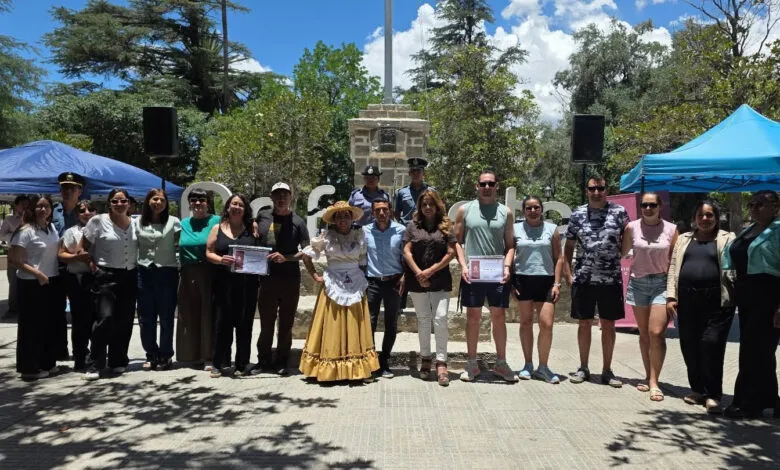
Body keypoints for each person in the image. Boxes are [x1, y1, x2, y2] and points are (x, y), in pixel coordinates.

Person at [299, 201, 379, 382]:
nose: (343, 219)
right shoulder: (325, 237)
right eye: (339, 216)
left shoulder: (360, 235)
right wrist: (315, 276)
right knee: (332, 325)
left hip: (355, 282)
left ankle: (357, 368)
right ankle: (328, 369)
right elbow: (306, 256)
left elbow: (364, 259)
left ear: (351, 218)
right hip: (333, 283)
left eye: (346, 216)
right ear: (334, 220)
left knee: (354, 324)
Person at [666, 201, 734, 413]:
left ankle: (713, 394)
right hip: (686, 301)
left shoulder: (726, 238)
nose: (705, 219)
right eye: (701, 215)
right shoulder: (685, 239)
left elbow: (734, 267)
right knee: (689, 345)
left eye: (710, 215)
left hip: (716, 301)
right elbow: (673, 267)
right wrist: (670, 296)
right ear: (694, 218)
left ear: (716, 218)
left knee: (711, 344)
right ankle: (697, 389)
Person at [564, 175, 629, 388]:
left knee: (609, 325)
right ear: (587, 190)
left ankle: (607, 370)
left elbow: (627, 239)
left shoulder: (619, 212)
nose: (596, 192)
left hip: (610, 279)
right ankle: (583, 367)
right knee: (584, 324)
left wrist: (617, 258)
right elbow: (569, 246)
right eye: (592, 188)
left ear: (606, 189)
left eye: (600, 188)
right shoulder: (577, 213)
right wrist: (567, 273)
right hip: (584, 278)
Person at [454, 169, 517, 383]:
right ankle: (472, 363)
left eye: (491, 183)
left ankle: (501, 363)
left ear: (497, 186)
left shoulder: (506, 212)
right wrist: (462, 265)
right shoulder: (465, 210)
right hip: (474, 273)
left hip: (498, 273)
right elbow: (456, 241)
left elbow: (510, 246)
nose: (487, 187)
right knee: (473, 318)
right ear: (477, 186)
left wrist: (507, 267)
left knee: (498, 317)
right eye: (483, 184)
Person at [723, 190, 780, 419]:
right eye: (752, 204)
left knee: (753, 351)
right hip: (747, 297)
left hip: (769, 296)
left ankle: (747, 403)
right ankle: (772, 400)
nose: (754, 208)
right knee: (762, 351)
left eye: (760, 204)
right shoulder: (750, 229)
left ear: (775, 206)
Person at [621, 193, 678, 402]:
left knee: (657, 332)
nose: (647, 208)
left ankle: (655, 382)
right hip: (638, 284)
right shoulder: (631, 227)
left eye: (652, 204)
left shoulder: (671, 230)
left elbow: (674, 261)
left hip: (661, 284)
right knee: (644, 333)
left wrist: (674, 290)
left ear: (659, 206)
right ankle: (648, 376)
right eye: (644, 205)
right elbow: (621, 252)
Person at [252, 182, 310, 376]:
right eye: (277, 195)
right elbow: (254, 234)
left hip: (290, 280)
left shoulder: (299, 222)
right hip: (266, 280)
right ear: (271, 197)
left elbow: (307, 251)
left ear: (290, 197)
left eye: (285, 194)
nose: (281, 198)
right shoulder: (263, 216)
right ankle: (263, 361)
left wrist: (287, 258)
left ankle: (282, 362)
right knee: (266, 323)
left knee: (286, 324)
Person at [81, 188, 138, 381]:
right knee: (105, 318)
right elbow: (84, 248)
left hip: (129, 275)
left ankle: (118, 361)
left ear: (129, 203)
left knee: (124, 320)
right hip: (106, 276)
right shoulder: (97, 221)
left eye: (123, 201)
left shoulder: (136, 224)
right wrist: (93, 268)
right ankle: (94, 363)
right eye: (115, 201)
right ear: (109, 204)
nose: (119, 205)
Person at [403, 189, 455, 386]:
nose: (427, 208)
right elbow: (407, 251)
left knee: (440, 319)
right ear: (419, 206)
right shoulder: (412, 226)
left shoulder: (446, 225)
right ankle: (425, 358)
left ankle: (441, 362)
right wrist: (419, 273)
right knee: (424, 320)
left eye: (430, 204)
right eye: (424, 204)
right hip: (417, 281)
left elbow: (451, 253)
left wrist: (430, 271)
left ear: (437, 205)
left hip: (441, 280)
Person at [205, 194, 259, 378]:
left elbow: (258, 251)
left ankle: (242, 364)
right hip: (223, 284)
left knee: (245, 325)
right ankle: (218, 363)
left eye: (241, 205)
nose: (237, 207)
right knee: (222, 324)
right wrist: (221, 260)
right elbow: (208, 252)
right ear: (227, 207)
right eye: (234, 204)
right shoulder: (216, 228)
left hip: (247, 285)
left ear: (245, 209)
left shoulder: (252, 227)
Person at [512, 195, 564, 384]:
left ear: (542, 209)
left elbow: (559, 257)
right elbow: (509, 254)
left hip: (546, 281)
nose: (533, 211)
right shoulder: (515, 229)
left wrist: (557, 283)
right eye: (529, 208)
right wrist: (511, 281)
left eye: (536, 207)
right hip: (523, 279)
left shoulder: (552, 229)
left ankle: (543, 367)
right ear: (523, 211)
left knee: (546, 324)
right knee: (525, 323)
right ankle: (527, 365)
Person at [8, 195, 59, 380]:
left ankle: (46, 362)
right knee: (31, 327)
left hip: (50, 281)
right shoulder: (26, 230)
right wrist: (38, 274)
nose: (42, 210)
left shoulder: (51, 228)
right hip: (31, 283)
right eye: (38, 206)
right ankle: (29, 368)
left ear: (51, 209)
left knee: (47, 325)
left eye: (46, 206)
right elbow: (15, 260)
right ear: (31, 208)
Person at [135, 189, 181, 371]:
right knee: (146, 318)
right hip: (144, 272)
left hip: (167, 272)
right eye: (154, 199)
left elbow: (183, 241)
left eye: (162, 200)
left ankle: (166, 355)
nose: (158, 203)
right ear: (147, 201)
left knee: (167, 316)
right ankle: (151, 354)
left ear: (166, 203)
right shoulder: (137, 222)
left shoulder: (174, 222)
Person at [176, 188, 220, 369]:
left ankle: (209, 356)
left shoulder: (216, 221)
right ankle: (190, 355)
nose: (198, 203)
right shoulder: (183, 223)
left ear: (208, 202)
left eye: (202, 199)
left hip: (209, 271)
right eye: (193, 199)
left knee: (208, 313)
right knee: (188, 314)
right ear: (189, 203)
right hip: (186, 273)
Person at [364, 197, 406, 379]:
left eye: (385, 210)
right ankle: (371, 362)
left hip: (394, 282)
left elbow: (407, 255)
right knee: (369, 323)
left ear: (390, 211)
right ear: (372, 212)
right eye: (377, 210)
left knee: (391, 323)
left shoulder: (401, 230)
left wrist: (405, 276)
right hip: (372, 282)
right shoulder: (364, 231)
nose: (381, 213)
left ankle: (385, 361)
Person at [58, 199, 98, 371]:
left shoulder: (102, 229)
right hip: (77, 278)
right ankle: (80, 355)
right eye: (82, 210)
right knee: (79, 320)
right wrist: (77, 258)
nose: (87, 213)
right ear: (77, 214)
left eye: (90, 209)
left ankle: (97, 354)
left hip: (98, 277)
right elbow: (61, 255)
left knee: (97, 318)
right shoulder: (70, 232)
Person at [52, 172, 86, 362]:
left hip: (78, 267)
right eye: (64, 188)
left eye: (71, 188)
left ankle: (80, 351)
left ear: (79, 191)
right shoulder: (52, 210)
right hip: (55, 266)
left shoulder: (85, 211)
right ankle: (60, 350)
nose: (67, 191)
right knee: (56, 310)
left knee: (79, 311)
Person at [0, 195, 30, 319]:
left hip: (30, 254)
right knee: (14, 281)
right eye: (22, 204)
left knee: (29, 280)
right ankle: (13, 308)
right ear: (16, 205)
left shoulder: (32, 218)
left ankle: (28, 306)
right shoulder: (9, 219)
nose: (25, 206)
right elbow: (2, 236)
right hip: (14, 252)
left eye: (27, 204)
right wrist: (17, 235)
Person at [394, 157, 435, 226]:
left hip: (425, 229)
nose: (415, 174)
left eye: (418, 171)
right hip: (407, 230)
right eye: (413, 171)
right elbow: (397, 214)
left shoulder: (431, 192)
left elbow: (437, 211)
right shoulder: (401, 192)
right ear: (409, 173)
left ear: (423, 173)